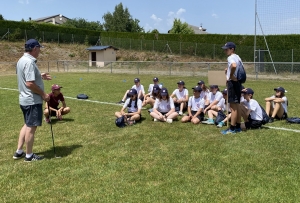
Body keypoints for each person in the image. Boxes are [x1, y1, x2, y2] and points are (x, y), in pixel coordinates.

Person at [13, 39, 51, 162]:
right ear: (35, 48)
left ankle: (19, 151)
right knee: (31, 127)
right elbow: (29, 83)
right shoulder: (29, 62)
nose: (40, 51)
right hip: (32, 100)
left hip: (24, 99)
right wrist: (44, 94)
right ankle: (29, 156)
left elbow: (26, 77)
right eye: (39, 48)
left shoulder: (21, 60)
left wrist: (40, 76)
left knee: (27, 124)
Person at [221, 42, 243, 134]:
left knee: (233, 107)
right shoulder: (237, 57)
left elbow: (234, 65)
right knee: (237, 105)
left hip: (232, 83)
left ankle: (232, 128)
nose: (225, 51)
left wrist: (230, 75)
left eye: (227, 49)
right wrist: (228, 69)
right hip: (238, 83)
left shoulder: (230, 57)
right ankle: (238, 126)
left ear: (232, 49)